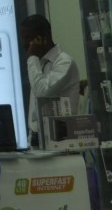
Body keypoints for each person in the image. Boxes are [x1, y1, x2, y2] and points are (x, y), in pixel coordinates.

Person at [20, 14, 80, 148]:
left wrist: (32, 57)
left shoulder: (64, 62)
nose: (24, 43)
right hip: (37, 138)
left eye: (28, 38)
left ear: (43, 38)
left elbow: (42, 91)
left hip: (61, 139)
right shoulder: (39, 63)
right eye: (23, 38)